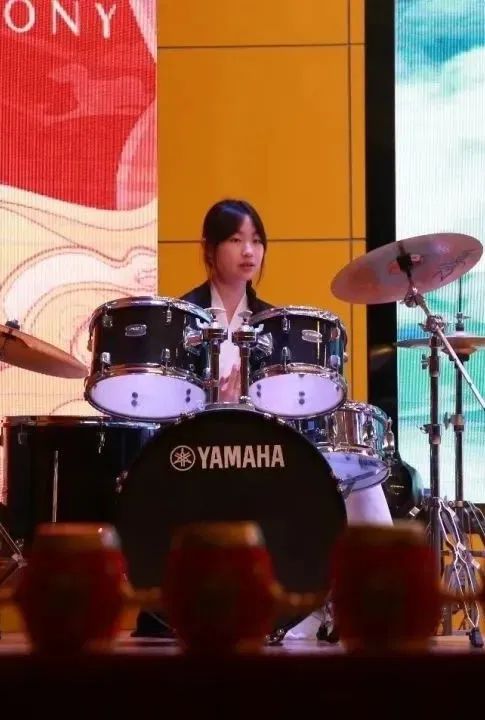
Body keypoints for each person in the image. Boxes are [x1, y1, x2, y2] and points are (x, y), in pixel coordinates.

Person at [134, 197, 393, 639]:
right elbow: (163, 402)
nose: (249, 251)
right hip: (196, 451)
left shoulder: (273, 323)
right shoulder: (182, 317)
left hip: (262, 449)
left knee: (356, 470)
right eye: (236, 240)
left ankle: (360, 604)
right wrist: (214, 395)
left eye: (256, 241)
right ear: (209, 248)